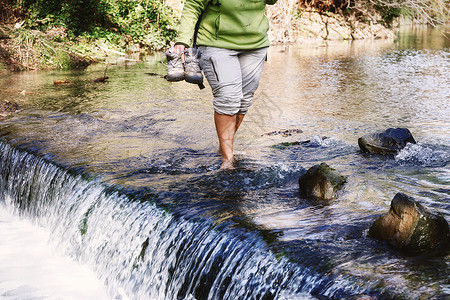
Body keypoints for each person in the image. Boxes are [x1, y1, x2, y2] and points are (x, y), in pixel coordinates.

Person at [171, 0, 278, 169]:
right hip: (216, 43)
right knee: (228, 98)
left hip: (255, 43)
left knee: (244, 100)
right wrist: (182, 40)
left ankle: (224, 148)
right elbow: (193, 5)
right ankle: (228, 160)